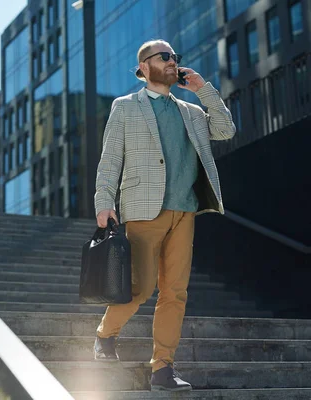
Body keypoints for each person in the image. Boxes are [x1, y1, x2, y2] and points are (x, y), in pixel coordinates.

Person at [93, 39, 236, 392]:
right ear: (144, 67)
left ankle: (163, 368)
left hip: (184, 211)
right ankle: (105, 335)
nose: (173, 62)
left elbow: (225, 130)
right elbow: (111, 158)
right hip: (143, 208)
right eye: (165, 57)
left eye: (175, 57)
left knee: (175, 292)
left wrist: (204, 90)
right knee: (140, 288)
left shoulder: (191, 111)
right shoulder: (125, 107)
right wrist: (104, 201)